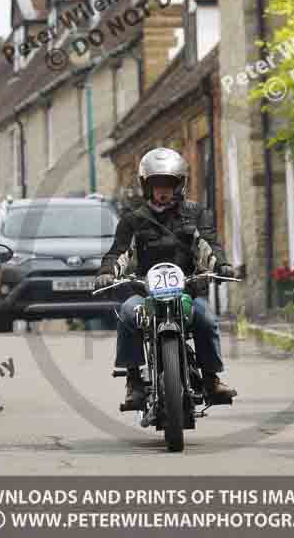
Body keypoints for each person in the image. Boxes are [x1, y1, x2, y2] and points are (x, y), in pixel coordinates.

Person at [94, 147, 236, 408]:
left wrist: (222, 265)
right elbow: (119, 252)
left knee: (204, 318)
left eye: (169, 184)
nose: (163, 190)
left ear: (179, 184)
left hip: (186, 290)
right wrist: (106, 273)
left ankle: (211, 379)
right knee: (128, 313)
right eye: (156, 184)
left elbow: (208, 245)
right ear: (146, 186)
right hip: (144, 291)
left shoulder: (195, 214)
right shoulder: (133, 220)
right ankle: (134, 381)